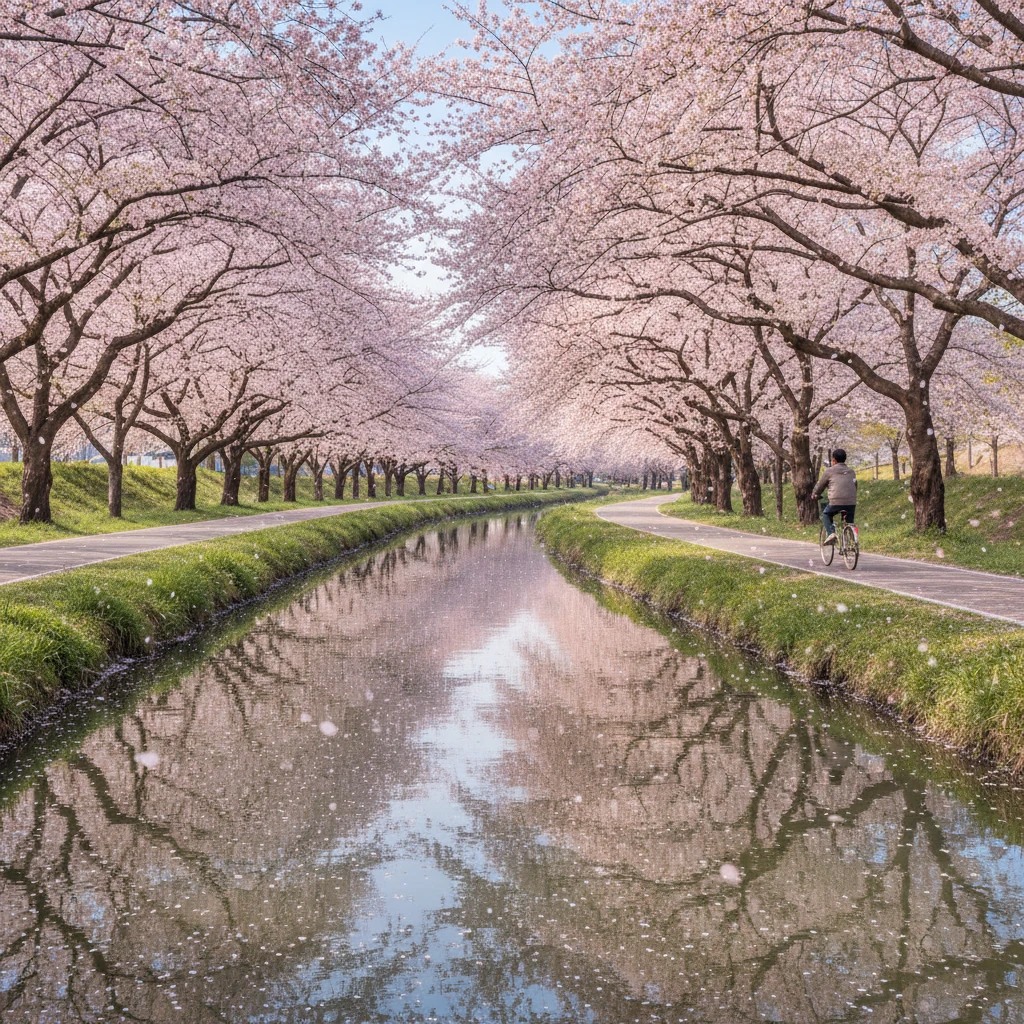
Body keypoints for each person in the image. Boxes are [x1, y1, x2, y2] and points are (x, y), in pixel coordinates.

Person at [812, 448, 857, 545]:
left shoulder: (829, 471)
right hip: (851, 502)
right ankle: (852, 542)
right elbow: (855, 485)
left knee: (826, 514)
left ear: (834, 460)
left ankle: (831, 533)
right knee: (848, 521)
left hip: (836, 501)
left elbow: (820, 486)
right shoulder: (851, 471)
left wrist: (815, 494)